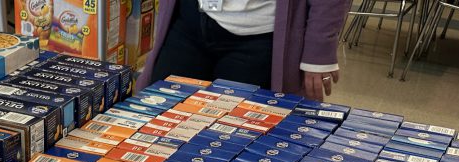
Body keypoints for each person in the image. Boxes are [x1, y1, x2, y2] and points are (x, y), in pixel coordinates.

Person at [146, 0, 351, 100]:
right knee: (157, 113)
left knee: (234, 138)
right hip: (188, 21)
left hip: (260, 37)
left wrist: (319, 48)